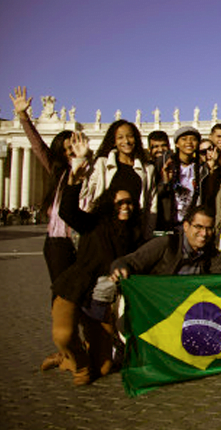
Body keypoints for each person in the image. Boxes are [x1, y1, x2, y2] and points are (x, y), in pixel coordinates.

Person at [52, 151, 143, 384]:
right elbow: (67, 212)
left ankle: (68, 358)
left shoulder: (133, 234)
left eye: (130, 203)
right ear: (109, 204)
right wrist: (74, 182)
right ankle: (76, 361)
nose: (126, 207)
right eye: (120, 202)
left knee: (102, 368)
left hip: (101, 300)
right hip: (76, 287)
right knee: (63, 334)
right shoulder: (92, 223)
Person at [12, 86, 80, 371]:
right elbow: (38, 147)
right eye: (64, 150)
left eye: (72, 149)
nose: (68, 154)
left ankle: (81, 348)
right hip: (57, 243)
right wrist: (24, 117)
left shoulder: (88, 171)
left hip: (81, 240)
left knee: (83, 295)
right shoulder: (57, 173)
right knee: (59, 296)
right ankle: (65, 350)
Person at [110, 205, 221, 277]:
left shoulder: (209, 252)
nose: (204, 234)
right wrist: (120, 269)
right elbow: (130, 261)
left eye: (209, 229)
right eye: (198, 227)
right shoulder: (166, 244)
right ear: (186, 226)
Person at [79, 119, 156, 237]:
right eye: (120, 137)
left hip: (134, 231)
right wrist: (81, 160)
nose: (126, 141)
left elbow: (152, 205)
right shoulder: (101, 165)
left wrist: (148, 234)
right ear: (114, 142)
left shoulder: (148, 170)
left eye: (130, 136)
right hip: (105, 230)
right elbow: (86, 194)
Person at [157, 126, 209, 232]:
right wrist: (165, 182)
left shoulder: (203, 169)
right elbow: (155, 195)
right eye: (184, 139)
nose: (189, 142)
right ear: (176, 144)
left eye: (193, 139)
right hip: (168, 224)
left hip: (191, 227)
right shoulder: (163, 164)